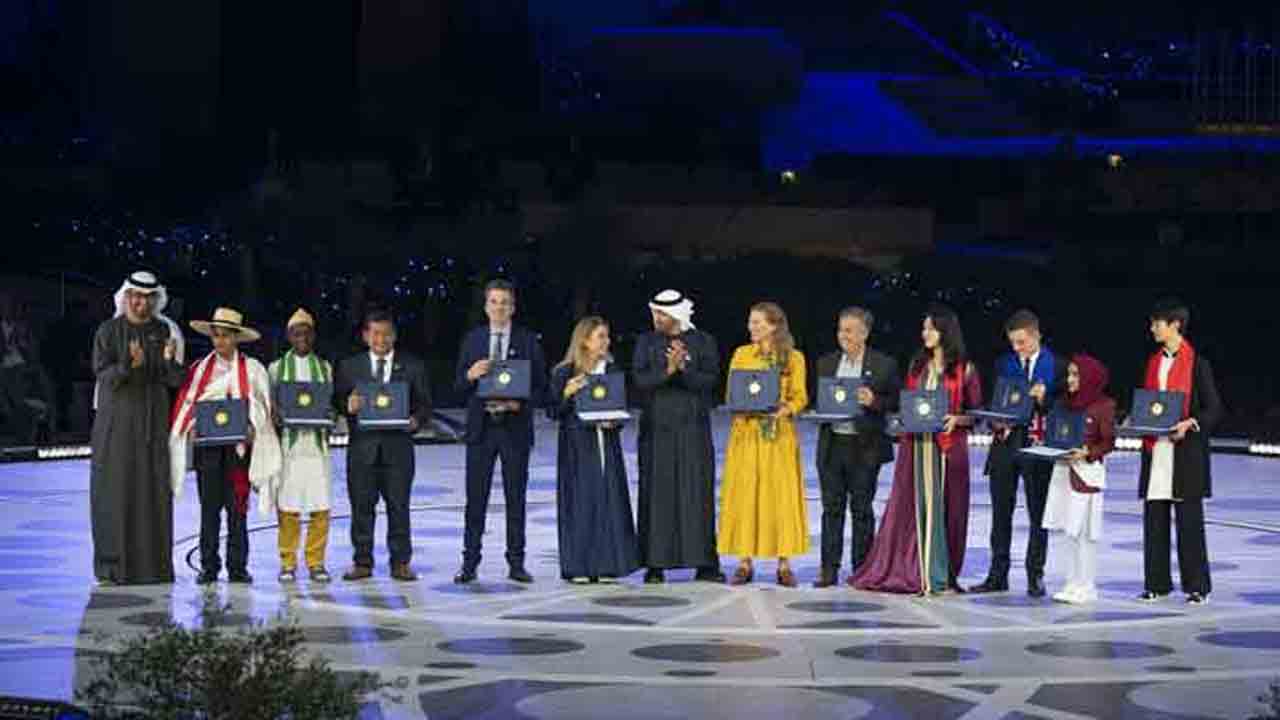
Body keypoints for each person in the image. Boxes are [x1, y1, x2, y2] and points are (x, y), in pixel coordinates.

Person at [851, 304, 981, 595]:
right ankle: (913, 568)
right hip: (916, 448)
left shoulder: (965, 369)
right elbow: (907, 402)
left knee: (948, 510)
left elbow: (975, 413)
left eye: (930, 328)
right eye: (924, 328)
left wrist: (957, 419)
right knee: (911, 508)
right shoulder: (918, 366)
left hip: (948, 450)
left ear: (945, 331)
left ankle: (940, 572)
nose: (925, 333)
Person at [169, 307, 282, 585]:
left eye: (226, 336)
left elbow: (263, 408)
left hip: (237, 452)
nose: (220, 341)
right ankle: (209, 567)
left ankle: (237, 567)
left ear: (236, 338)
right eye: (216, 336)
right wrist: (192, 426)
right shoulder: (198, 370)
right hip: (208, 450)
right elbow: (188, 406)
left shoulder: (253, 370)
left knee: (237, 511)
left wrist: (253, 427)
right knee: (209, 511)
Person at [89, 271, 186, 585]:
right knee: (115, 492)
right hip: (116, 426)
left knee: (152, 492)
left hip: (152, 425)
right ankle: (112, 567)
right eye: (135, 296)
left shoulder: (165, 331)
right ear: (126, 297)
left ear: (155, 300)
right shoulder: (108, 331)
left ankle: (153, 567)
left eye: (146, 298)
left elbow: (175, 380)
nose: (140, 303)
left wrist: (169, 361)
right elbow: (103, 375)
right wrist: (129, 365)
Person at [453, 280, 546, 584]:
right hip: (481, 430)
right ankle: (469, 563)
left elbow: (541, 387)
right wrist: (470, 375)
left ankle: (516, 563)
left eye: (504, 302)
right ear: (485, 307)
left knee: (515, 498)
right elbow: (458, 386)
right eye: (494, 302)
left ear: (513, 307)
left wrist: (520, 403)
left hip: (514, 429)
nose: (499, 308)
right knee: (475, 499)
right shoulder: (473, 340)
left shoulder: (528, 341)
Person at [631, 289, 724, 583]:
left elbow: (711, 381)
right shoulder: (646, 342)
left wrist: (684, 369)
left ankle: (704, 562)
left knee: (696, 493)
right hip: (657, 429)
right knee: (656, 494)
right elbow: (640, 380)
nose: (657, 319)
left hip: (692, 429)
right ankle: (655, 563)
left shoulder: (703, 341)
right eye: (655, 313)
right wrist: (667, 371)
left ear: (676, 315)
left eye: (662, 314)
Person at [972, 309, 1065, 597]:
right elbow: (994, 402)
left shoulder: (1057, 365)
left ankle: (1035, 575)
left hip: (1037, 444)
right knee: (1001, 511)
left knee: (1038, 513)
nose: (1017, 348)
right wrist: (995, 421)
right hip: (1005, 444)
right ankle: (997, 574)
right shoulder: (1004, 363)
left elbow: (1064, 406)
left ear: (1037, 336)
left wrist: (1044, 398)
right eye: (1013, 342)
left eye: (1022, 342)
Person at [335, 309, 431, 582]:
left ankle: (400, 562)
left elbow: (425, 405)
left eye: (386, 334)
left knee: (399, 507)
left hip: (398, 450)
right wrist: (347, 405)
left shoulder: (413, 366)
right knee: (361, 507)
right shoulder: (349, 367)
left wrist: (416, 420)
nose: (381, 339)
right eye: (375, 333)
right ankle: (362, 562)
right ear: (365, 336)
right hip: (362, 450)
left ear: (394, 336)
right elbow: (336, 400)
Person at [1136, 298, 1222, 605]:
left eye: (1157, 323)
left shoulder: (1198, 364)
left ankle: (1197, 586)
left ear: (1175, 325)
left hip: (1185, 453)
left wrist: (1190, 423)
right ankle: (1156, 583)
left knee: (1189, 523)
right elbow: (1150, 404)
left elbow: (1214, 409)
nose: (1152, 328)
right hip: (1156, 450)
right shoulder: (1153, 362)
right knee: (1154, 520)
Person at [717, 302, 809, 587]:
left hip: (778, 436)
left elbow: (800, 397)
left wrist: (786, 409)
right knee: (746, 494)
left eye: (758, 322)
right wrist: (742, 405)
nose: (751, 327)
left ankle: (784, 563)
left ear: (774, 325)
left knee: (780, 496)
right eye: (750, 322)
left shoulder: (793, 358)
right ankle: (744, 562)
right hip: (746, 434)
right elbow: (732, 393)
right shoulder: (741, 354)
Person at [812, 307, 900, 588]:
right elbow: (818, 400)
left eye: (849, 330)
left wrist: (873, 400)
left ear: (865, 333)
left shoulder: (884, 364)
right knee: (831, 509)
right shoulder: (826, 363)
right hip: (832, 445)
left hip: (865, 447)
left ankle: (861, 568)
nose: (843, 336)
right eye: (840, 330)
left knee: (862, 509)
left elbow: (897, 402)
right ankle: (828, 569)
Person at [548, 316, 641, 583]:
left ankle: (608, 565)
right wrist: (567, 393)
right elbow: (553, 411)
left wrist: (614, 421)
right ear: (585, 340)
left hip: (605, 443)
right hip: (577, 446)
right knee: (581, 502)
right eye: (601, 336)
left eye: (607, 336)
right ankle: (579, 566)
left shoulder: (611, 370)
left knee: (608, 499)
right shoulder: (564, 372)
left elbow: (621, 406)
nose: (606, 341)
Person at [1042, 353, 1116, 604]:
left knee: (1086, 533)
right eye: (1069, 374)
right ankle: (1072, 582)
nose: (1070, 379)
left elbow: (1108, 441)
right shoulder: (1063, 403)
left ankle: (1087, 585)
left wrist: (1088, 453)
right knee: (1068, 530)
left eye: (1075, 375)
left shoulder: (1103, 405)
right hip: (1063, 471)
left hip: (1086, 474)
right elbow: (1056, 433)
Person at [268, 308, 335, 583]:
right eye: (297, 333)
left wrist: (330, 415)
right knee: (288, 505)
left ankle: (316, 562)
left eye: (306, 333)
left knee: (321, 504)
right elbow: (270, 406)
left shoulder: (325, 368)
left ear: (314, 335)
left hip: (317, 448)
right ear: (289, 336)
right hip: (289, 447)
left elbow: (329, 404)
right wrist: (275, 414)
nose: (302, 338)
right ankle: (288, 562)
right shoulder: (276, 369)